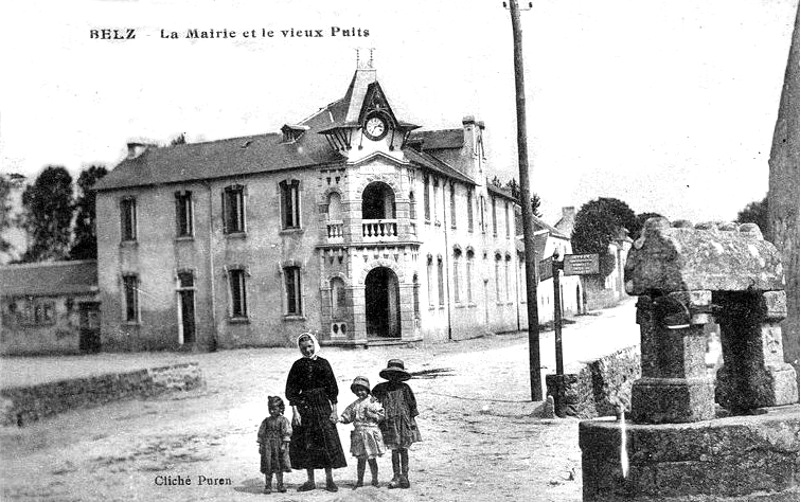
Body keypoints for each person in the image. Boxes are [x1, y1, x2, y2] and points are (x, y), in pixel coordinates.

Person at [285, 332, 347, 492]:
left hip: (322, 407)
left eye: (310, 346)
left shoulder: (324, 363)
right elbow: (291, 392)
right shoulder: (297, 365)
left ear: (315, 345)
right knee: (308, 443)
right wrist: (295, 412)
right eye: (303, 348)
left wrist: (334, 411)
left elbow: (332, 389)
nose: (307, 350)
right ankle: (310, 481)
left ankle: (329, 480)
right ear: (300, 349)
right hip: (305, 408)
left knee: (326, 441)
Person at [372, 359, 422, 489]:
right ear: (387, 375)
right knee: (394, 450)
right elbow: (372, 400)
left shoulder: (405, 388)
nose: (394, 378)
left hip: (403, 422)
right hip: (389, 423)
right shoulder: (381, 388)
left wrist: (411, 423)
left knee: (403, 449)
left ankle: (405, 476)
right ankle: (395, 475)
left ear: (401, 376)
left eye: (397, 375)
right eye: (391, 375)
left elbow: (412, 406)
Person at [339, 376, 386, 489]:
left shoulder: (373, 401)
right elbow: (347, 416)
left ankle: (375, 480)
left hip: (370, 432)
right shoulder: (355, 404)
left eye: (362, 390)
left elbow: (382, 416)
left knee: (372, 459)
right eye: (357, 390)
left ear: (367, 390)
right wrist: (340, 419)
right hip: (359, 433)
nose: (360, 392)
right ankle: (360, 481)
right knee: (360, 459)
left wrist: (372, 415)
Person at [257, 396, 292, 494]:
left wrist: (284, 445)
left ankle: (280, 485)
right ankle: (268, 485)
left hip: (278, 446)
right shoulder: (266, 421)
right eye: (270, 409)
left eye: (274, 409)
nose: (272, 411)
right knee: (268, 466)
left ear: (281, 409)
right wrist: (261, 445)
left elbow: (287, 433)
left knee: (279, 466)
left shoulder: (283, 420)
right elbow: (261, 432)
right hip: (268, 446)